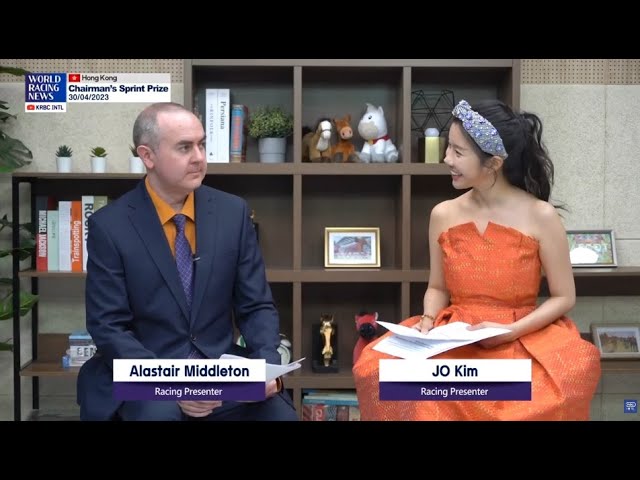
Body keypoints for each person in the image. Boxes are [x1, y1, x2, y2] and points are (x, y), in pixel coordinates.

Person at [353, 99, 601, 421]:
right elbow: (438, 288)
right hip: (455, 336)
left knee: (551, 387)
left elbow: (564, 297)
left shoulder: (541, 216)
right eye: (448, 148)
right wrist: (428, 320)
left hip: (521, 335)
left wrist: (510, 330)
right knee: (380, 372)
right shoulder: (443, 214)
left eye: (458, 152)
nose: (446, 159)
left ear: (494, 163)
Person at [77, 102, 297, 421]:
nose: (198, 157)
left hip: (219, 372)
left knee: (278, 414)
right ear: (148, 156)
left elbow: (256, 305)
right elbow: (108, 326)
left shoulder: (233, 213)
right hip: (146, 373)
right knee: (158, 414)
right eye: (184, 147)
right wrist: (174, 386)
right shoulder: (110, 226)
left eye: (201, 145)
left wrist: (267, 369)